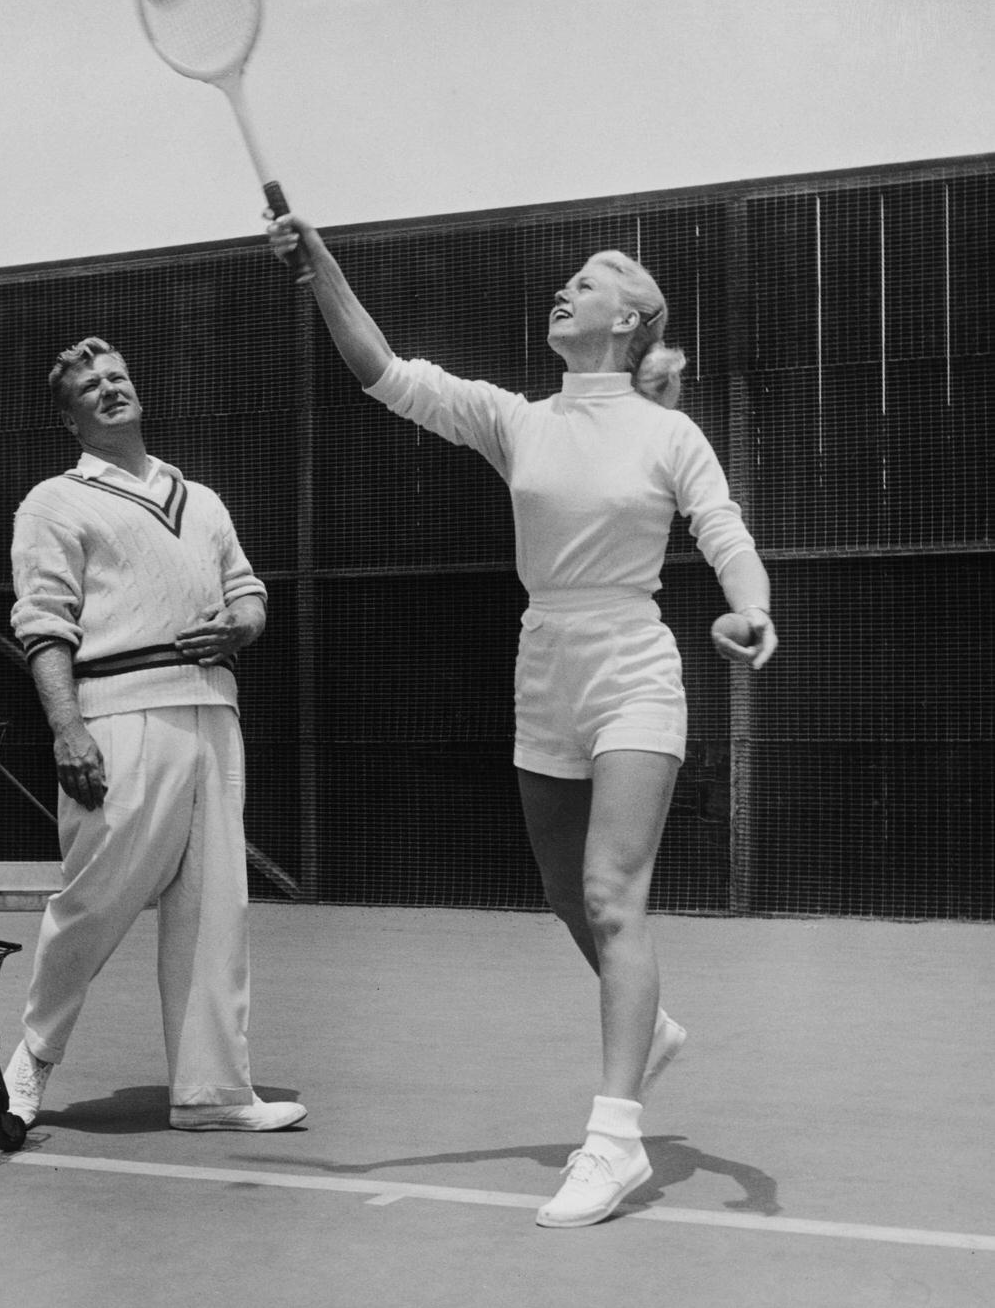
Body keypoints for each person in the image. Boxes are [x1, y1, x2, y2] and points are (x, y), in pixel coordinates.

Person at [268, 216, 776, 1227]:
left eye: (588, 284)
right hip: (543, 666)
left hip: (634, 665)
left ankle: (614, 1139)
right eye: (566, 282)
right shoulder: (516, 419)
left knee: (610, 891)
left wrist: (752, 608)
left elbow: (725, 533)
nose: (565, 291)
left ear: (628, 318)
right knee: (562, 893)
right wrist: (320, 265)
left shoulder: (668, 433)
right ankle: (650, 1025)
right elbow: (384, 372)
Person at [2, 336, 306, 1135]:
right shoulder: (54, 502)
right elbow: (42, 626)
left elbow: (248, 591)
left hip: (213, 713)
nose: (109, 390)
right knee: (96, 899)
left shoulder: (199, 498)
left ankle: (213, 1094)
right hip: (118, 715)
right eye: (89, 387)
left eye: (118, 378)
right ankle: (30, 1059)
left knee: (215, 908)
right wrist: (68, 726)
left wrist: (242, 623)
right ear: (69, 419)